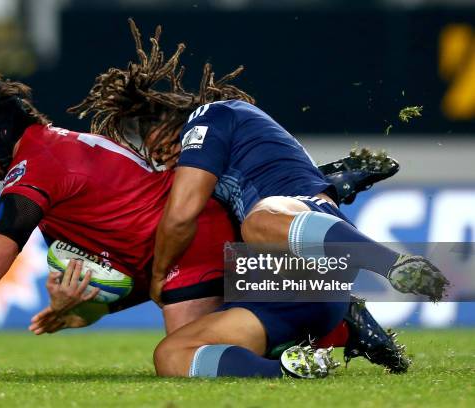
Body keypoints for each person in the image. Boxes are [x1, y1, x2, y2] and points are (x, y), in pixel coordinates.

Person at [0, 73, 407, 376]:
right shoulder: (53, 156)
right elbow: (129, 272)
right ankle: (338, 321)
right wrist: (74, 310)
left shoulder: (36, 166)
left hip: (193, 244)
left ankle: (332, 322)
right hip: (183, 247)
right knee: (206, 338)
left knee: (188, 355)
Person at [65, 19, 445, 378]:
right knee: (172, 354)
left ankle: (395, 264)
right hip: (283, 287)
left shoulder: (210, 116)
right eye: (159, 158)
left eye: (166, 147)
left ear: (179, 121)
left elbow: (181, 217)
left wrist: (160, 276)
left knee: (259, 221)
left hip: (311, 245)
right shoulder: (225, 172)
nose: (167, 161)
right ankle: (293, 367)